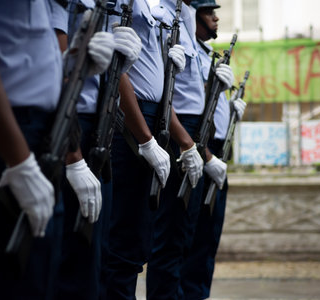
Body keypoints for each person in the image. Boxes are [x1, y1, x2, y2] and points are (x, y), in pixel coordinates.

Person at [0, 0, 113, 298]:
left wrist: (73, 63)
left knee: (35, 279)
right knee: (0, 281)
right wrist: (19, 162)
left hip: (34, 135)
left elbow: (17, 59)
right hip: (0, 136)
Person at [46, 1, 142, 299]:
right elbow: (53, 64)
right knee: (71, 257)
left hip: (101, 124)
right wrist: (73, 156)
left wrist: (120, 63)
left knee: (96, 254)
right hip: (69, 125)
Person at [100, 0, 192, 298]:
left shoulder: (154, 7)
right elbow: (116, 71)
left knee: (139, 237)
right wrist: (145, 138)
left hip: (152, 116)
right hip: (130, 121)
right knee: (122, 242)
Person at [145, 0, 234, 299]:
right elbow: (170, 100)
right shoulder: (166, 20)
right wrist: (197, 149)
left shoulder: (184, 28)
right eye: (209, 12)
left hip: (196, 138)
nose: (216, 18)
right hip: (183, 136)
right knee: (171, 238)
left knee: (190, 237)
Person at [180, 1, 246, 299]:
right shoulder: (187, 53)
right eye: (208, 13)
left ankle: (198, 293)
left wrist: (231, 108)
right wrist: (206, 156)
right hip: (200, 152)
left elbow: (212, 112)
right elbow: (191, 111)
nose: (216, 18)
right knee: (190, 237)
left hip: (215, 151)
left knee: (208, 238)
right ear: (192, 17)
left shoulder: (207, 54)